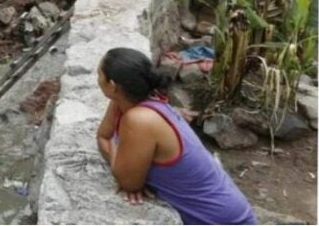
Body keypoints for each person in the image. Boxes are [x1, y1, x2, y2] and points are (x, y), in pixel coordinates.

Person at [96, 48, 257, 225]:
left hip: (222, 219)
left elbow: (128, 182)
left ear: (112, 86)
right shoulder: (130, 100)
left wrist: (116, 151)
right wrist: (118, 154)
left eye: (99, 74)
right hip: (225, 209)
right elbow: (103, 136)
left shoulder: (140, 119)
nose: (97, 79)